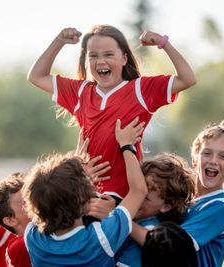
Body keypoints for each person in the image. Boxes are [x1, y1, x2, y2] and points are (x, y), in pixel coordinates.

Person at [27, 25, 196, 200]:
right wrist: (59, 41)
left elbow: (187, 78)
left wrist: (163, 43)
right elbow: (36, 76)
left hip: (126, 195)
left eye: (108, 54)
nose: (100, 61)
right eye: (93, 56)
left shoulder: (141, 89)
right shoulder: (80, 92)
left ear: (124, 58)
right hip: (87, 192)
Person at [23, 117, 148, 266]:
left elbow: (49, 195)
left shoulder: (33, 238)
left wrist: (77, 174)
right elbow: (138, 190)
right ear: (84, 201)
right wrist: (127, 145)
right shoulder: (101, 238)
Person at [115, 152, 196, 267]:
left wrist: (117, 218)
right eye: (135, 190)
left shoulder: (151, 230)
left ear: (165, 207)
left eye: (145, 197)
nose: (136, 199)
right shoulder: (137, 219)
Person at [180, 120, 224, 267]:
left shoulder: (220, 206)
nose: (213, 161)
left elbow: (173, 247)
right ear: (194, 158)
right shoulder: (182, 198)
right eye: (207, 153)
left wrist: (126, 222)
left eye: (223, 156)